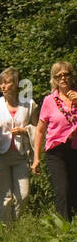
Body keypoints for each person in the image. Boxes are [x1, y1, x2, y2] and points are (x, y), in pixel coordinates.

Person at [32, 60, 77, 220]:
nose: (63, 78)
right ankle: (64, 229)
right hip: (55, 151)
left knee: (74, 190)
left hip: (75, 149)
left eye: (66, 74)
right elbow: (39, 130)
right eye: (59, 76)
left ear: (71, 76)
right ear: (54, 80)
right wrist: (36, 158)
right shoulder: (49, 101)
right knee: (62, 189)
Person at [0, 68, 35, 223]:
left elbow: (38, 128)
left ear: (16, 84)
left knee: (23, 194)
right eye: (0, 83)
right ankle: (4, 228)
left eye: (6, 82)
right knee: (4, 195)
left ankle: (15, 226)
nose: (3, 86)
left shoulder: (28, 104)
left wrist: (25, 130)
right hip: (1, 154)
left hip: (21, 155)